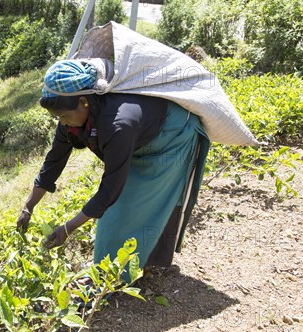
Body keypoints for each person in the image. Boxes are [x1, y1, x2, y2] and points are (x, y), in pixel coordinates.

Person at [16, 60, 210, 281]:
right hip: (138, 141)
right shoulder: (71, 120)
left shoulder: (118, 124)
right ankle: (131, 266)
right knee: (125, 207)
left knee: (127, 209)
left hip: (172, 139)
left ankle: (109, 279)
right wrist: (29, 206)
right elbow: (53, 162)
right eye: (58, 117)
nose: (63, 122)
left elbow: (110, 189)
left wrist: (68, 228)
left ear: (84, 101)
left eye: (65, 115)